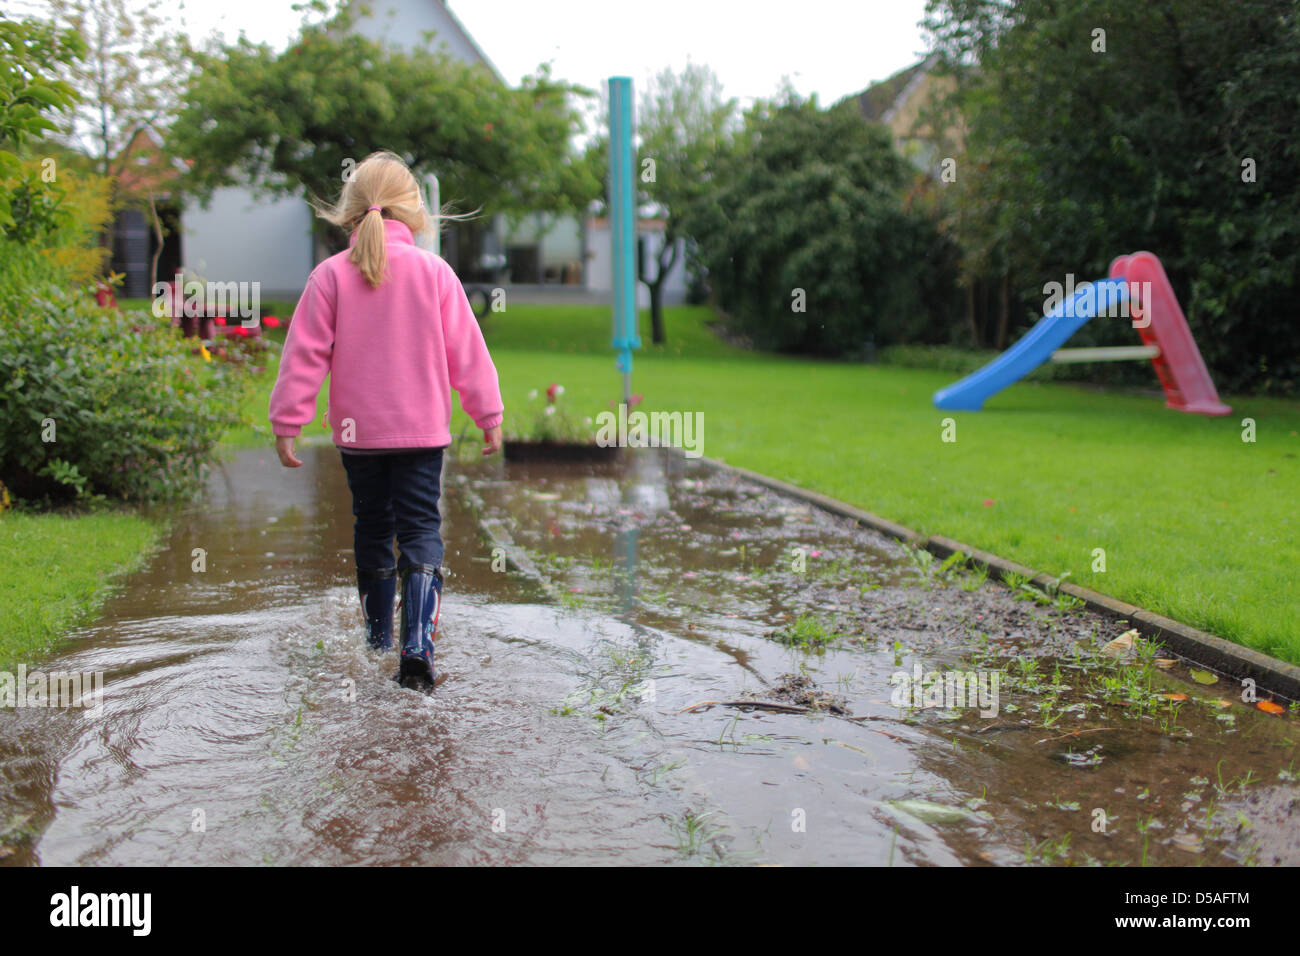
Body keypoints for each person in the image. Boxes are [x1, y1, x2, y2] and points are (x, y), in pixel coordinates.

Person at [268, 150, 504, 688]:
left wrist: (288, 422)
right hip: (421, 432)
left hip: (359, 436)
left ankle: (378, 642)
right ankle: (416, 644)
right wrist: (487, 413)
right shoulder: (435, 273)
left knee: (372, 527)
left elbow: (303, 357)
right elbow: (468, 351)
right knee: (421, 527)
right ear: (415, 213)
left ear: (350, 214)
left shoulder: (329, 276)